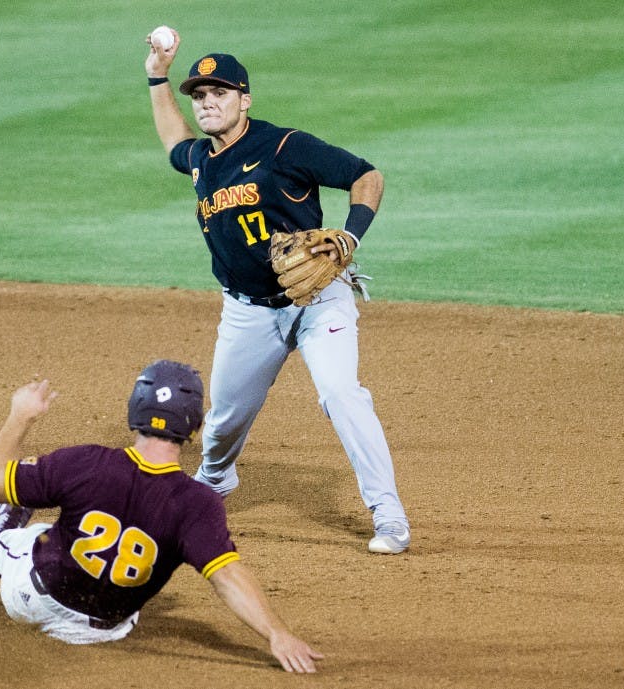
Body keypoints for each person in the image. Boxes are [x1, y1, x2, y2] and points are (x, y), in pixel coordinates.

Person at [144, 29, 410, 554]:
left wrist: (350, 235)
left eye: (219, 93)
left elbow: (366, 176)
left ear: (245, 99)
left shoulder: (284, 145)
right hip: (247, 314)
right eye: (199, 95)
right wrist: (158, 75)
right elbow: (174, 143)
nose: (207, 103)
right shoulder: (200, 157)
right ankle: (216, 482)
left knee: (341, 393)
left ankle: (389, 515)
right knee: (221, 426)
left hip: (318, 301)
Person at [0, 360, 323, 673]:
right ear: (193, 425)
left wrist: (21, 415)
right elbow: (228, 576)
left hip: (30, 600)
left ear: (135, 409)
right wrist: (278, 634)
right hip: (98, 632)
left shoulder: (86, 463)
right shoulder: (198, 503)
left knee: (25, 496)